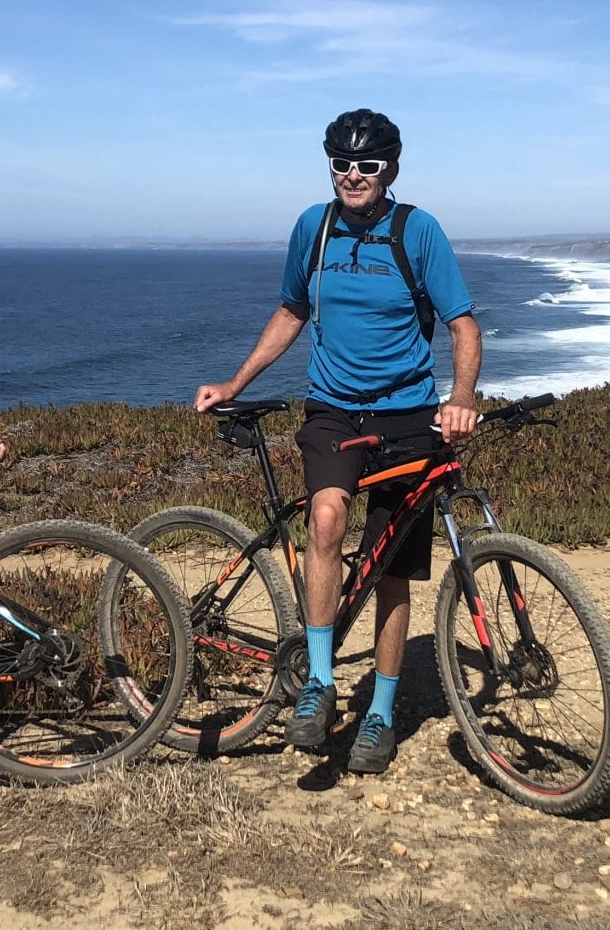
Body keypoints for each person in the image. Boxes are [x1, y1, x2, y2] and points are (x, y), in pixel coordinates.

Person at [194, 110, 479, 775]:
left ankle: (378, 713)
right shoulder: (312, 228)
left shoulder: (418, 232)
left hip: (408, 416)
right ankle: (319, 684)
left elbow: (464, 326)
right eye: (341, 164)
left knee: (391, 570)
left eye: (368, 165)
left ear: (392, 172)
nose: (354, 175)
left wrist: (460, 399)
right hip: (332, 413)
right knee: (326, 517)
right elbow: (292, 309)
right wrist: (237, 380)